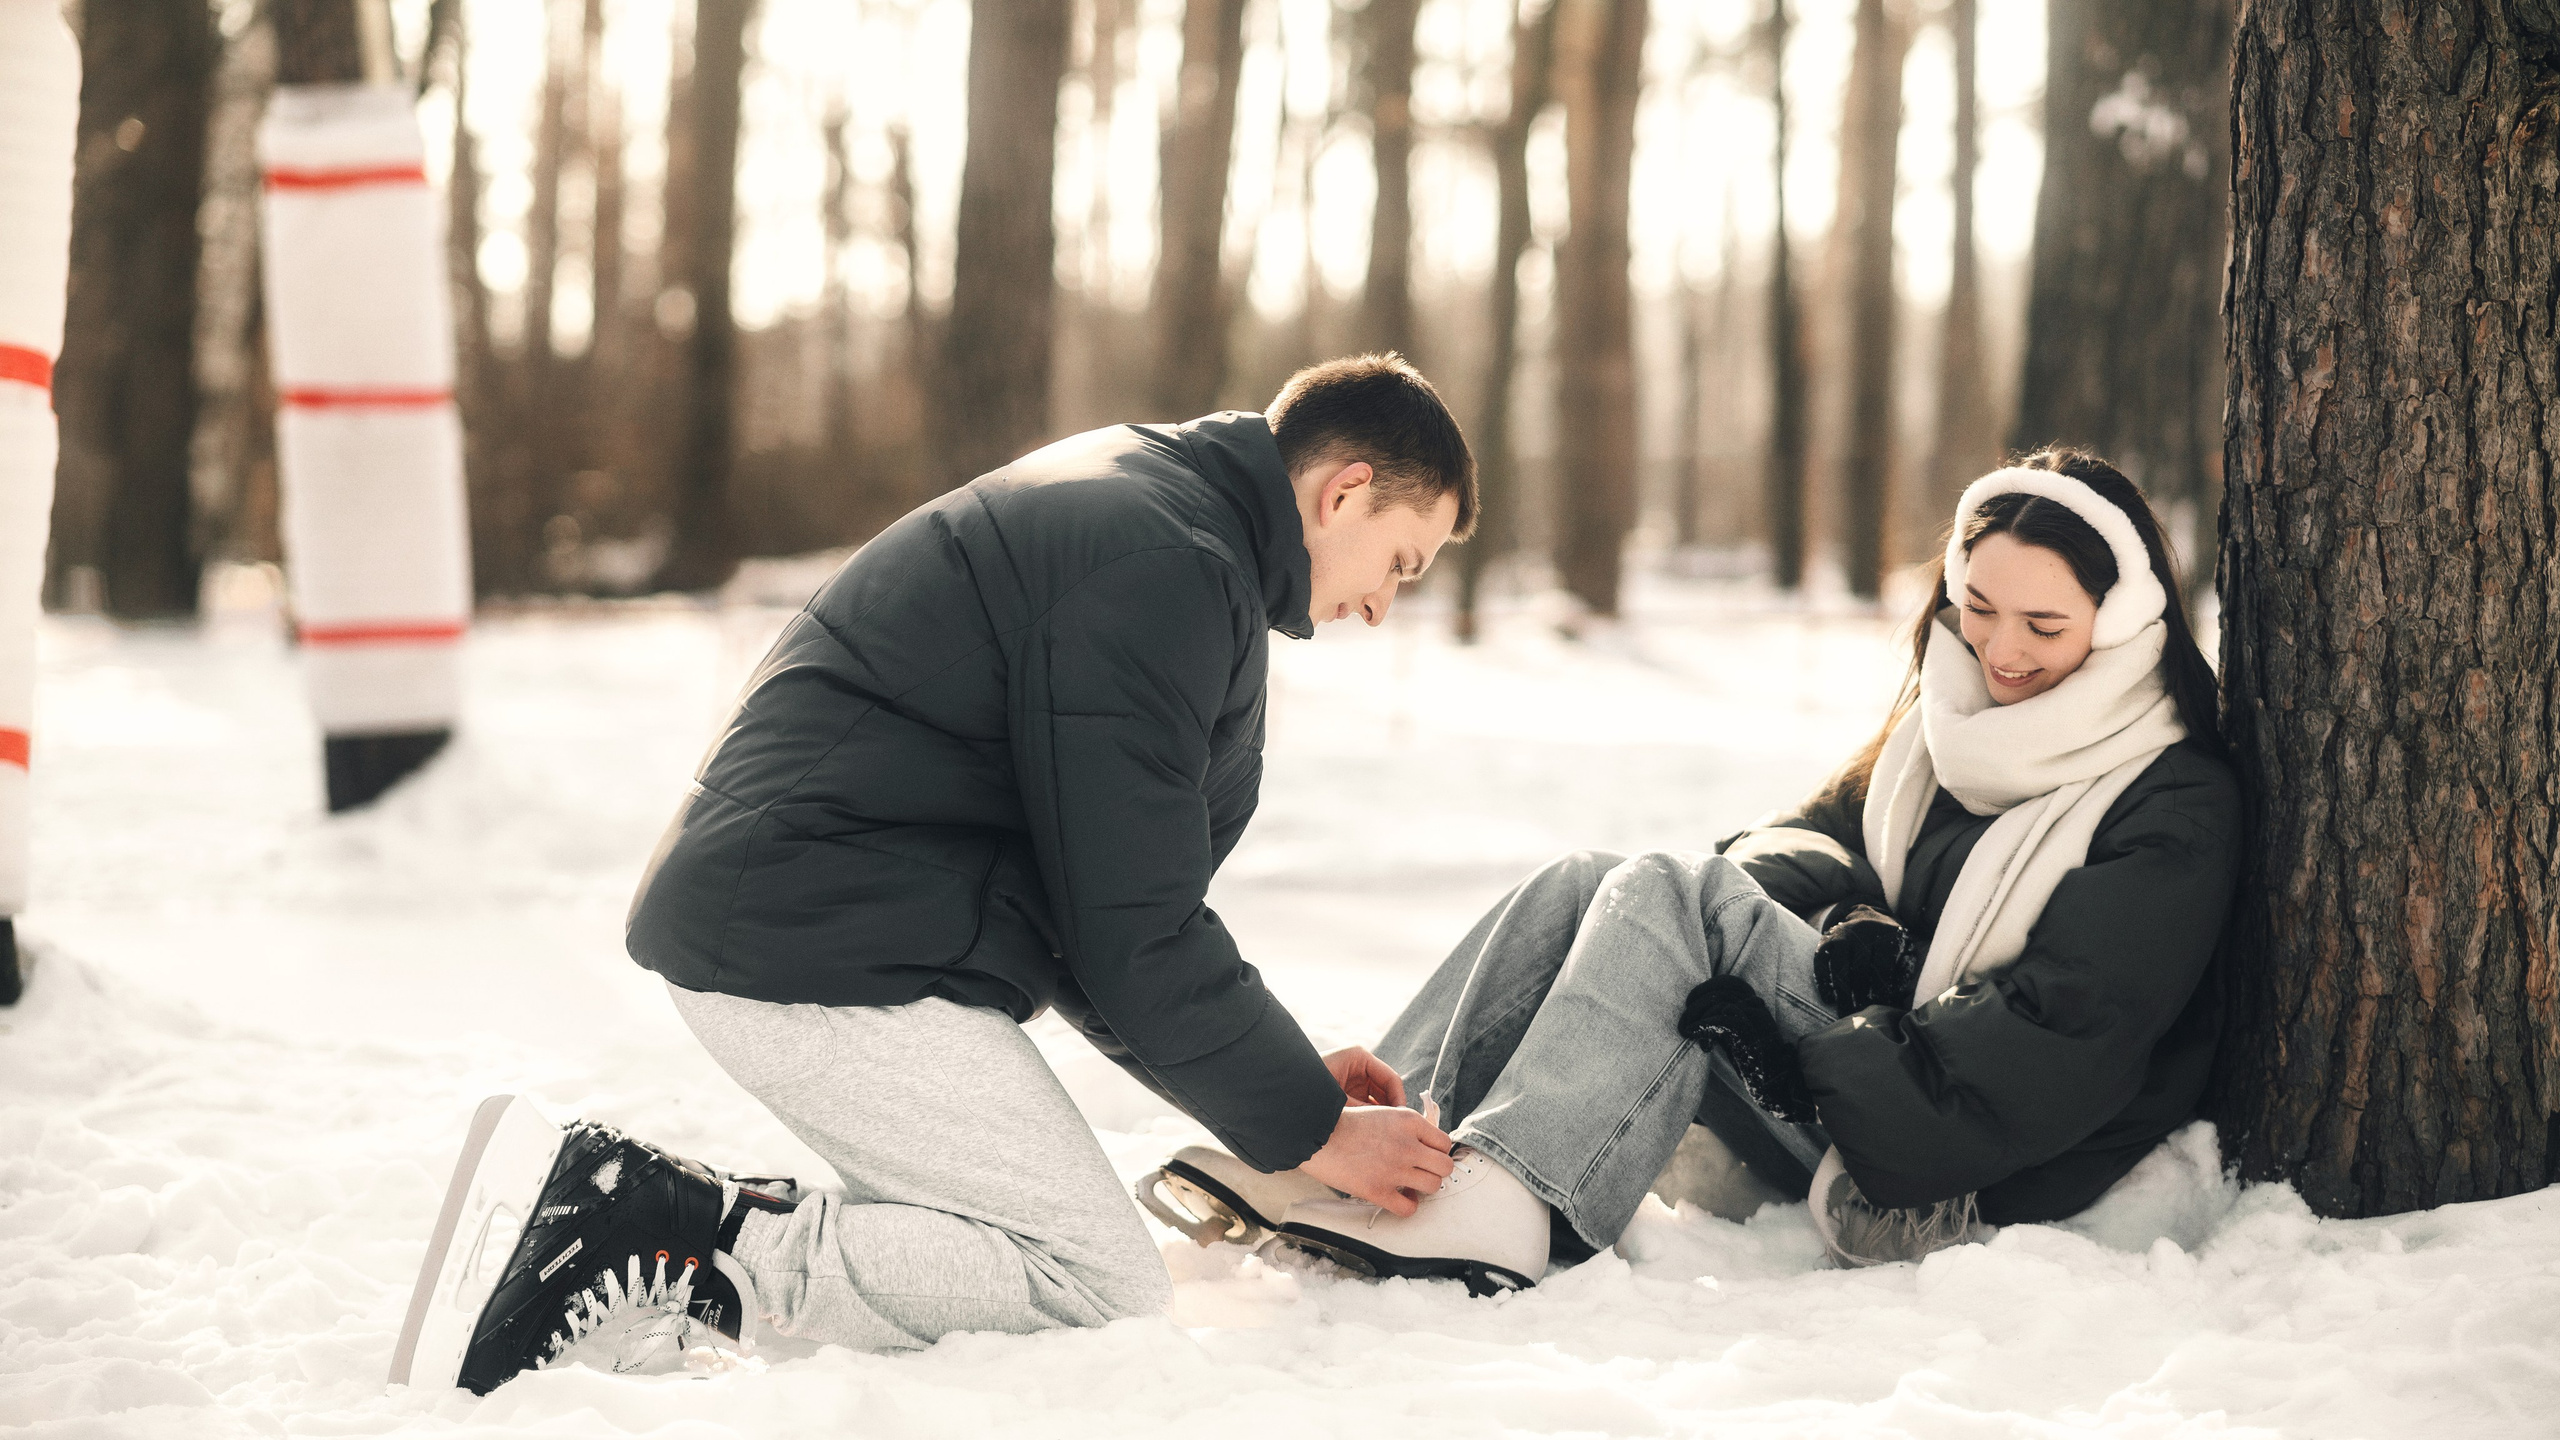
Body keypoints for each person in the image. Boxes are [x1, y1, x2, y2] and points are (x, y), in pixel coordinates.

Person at [392, 355, 1476, 1393]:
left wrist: (1283, 1089)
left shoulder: (1168, 523)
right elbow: (1129, 926)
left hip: (829, 920)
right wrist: (1311, 1128)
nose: (1384, 606)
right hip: (812, 936)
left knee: (1053, 1259)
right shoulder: (1166, 564)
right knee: (1093, 1283)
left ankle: (663, 1232)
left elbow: (1098, 909)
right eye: (1401, 564)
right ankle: (660, 1231)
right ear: (1347, 491)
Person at [1145, 448, 2241, 1289]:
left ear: (2122, 620)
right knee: (1590, 879)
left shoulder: (2171, 797)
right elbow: (1809, 840)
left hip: (1961, 1149)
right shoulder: (1950, 717)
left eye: (2043, 625)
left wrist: (1852, 1021)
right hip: (1884, 1057)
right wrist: (1854, 934)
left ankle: (1515, 1201)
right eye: (1979, 607)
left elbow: (2060, 1040)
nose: (2000, 650)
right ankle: (1358, 1152)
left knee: (1677, 894)